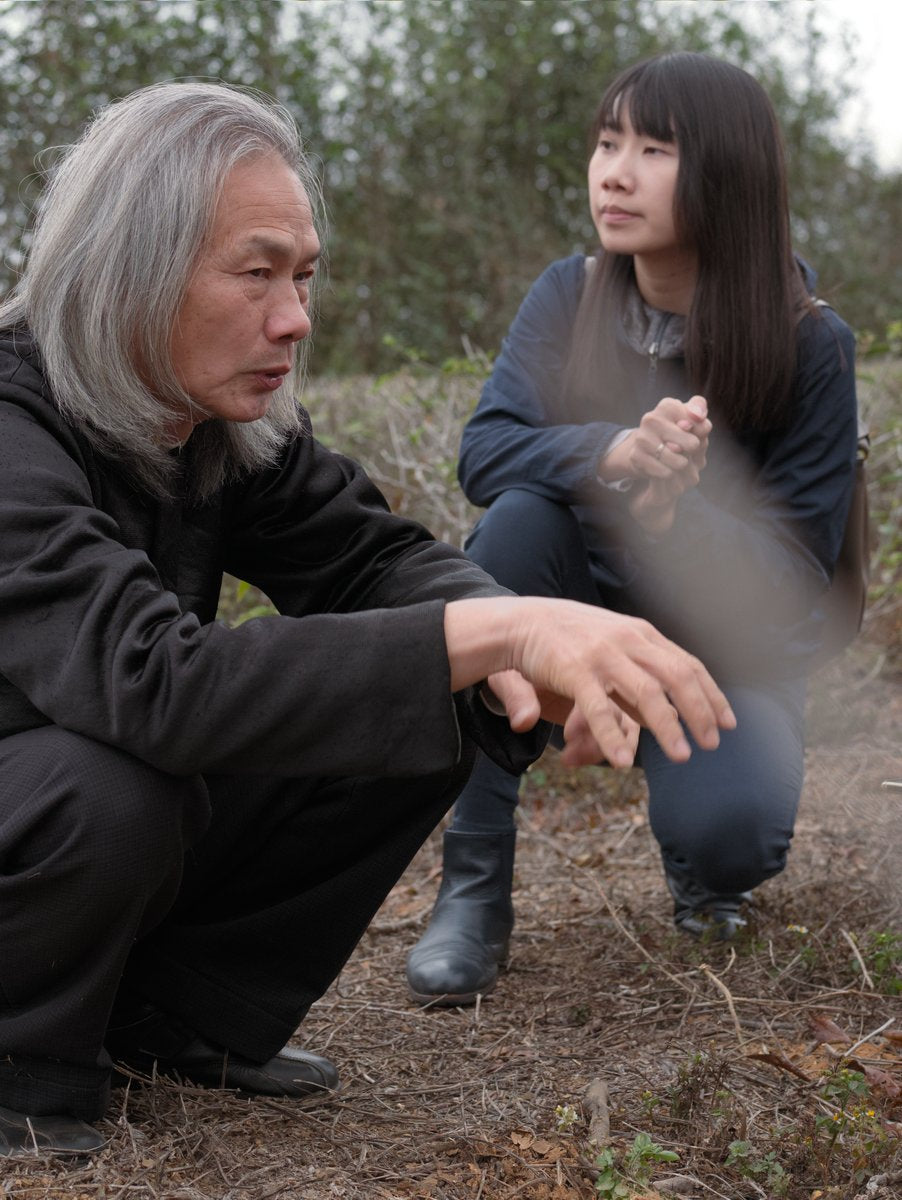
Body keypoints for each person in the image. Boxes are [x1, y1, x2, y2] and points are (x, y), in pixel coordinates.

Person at [0, 82, 735, 1158]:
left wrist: (518, 636)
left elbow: (370, 558)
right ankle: (21, 1070)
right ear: (133, 268)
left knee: (443, 689)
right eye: (255, 274)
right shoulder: (13, 421)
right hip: (45, 801)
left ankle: (178, 1019)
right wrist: (503, 633)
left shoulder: (204, 413)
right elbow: (152, 684)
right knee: (107, 786)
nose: (293, 318)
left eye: (300, 277)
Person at [406, 51, 859, 1007]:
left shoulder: (807, 342)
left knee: (732, 834)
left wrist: (677, 513)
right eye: (609, 142)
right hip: (574, 605)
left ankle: (705, 866)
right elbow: (486, 452)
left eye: (655, 149)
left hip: (723, 645)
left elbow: (789, 589)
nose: (614, 171)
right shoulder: (568, 296)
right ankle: (475, 883)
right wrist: (612, 454)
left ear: (728, 175)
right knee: (516, 526)